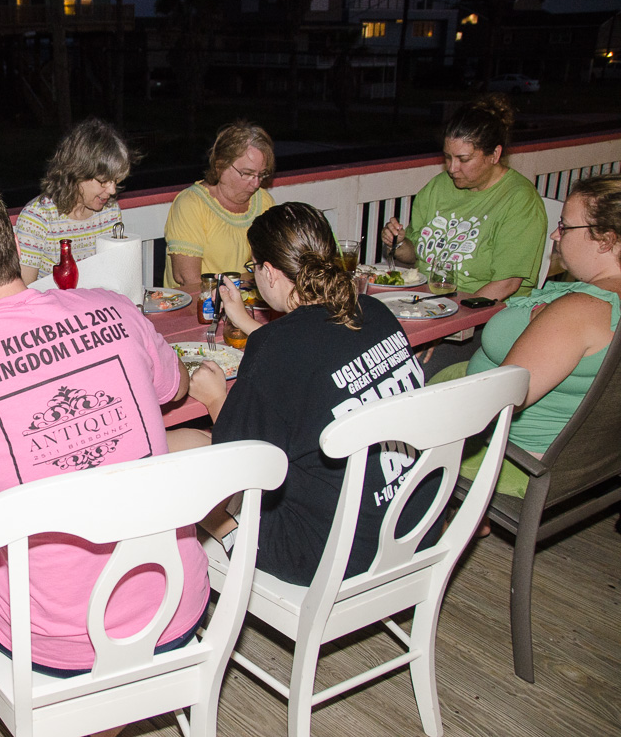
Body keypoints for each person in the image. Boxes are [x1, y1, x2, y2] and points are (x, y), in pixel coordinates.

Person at [0, 177, 203, 690]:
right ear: (16, 246)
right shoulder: (114, 306)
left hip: (53, 646)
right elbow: (175, 388)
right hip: (177, 606)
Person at [182, 202, 437, 586]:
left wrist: (216, 398)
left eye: (254, 269)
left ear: (268, 271)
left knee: (179, 454)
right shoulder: (373, 311)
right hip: (414, 524)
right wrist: (249, 326)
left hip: (333, 553)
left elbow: (239, 464)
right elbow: (319, 355)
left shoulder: (277, 347)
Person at [435, 174, 621, 499]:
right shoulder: (597, 302)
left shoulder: (578, 311)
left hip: (511, 456)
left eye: (565, 226)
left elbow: (495, 403)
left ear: (605, 240)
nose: (555, 234)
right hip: (591, 456)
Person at [382, 94, 548, 300]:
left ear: (495, 155)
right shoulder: (438, 187)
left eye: (464, 159)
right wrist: (398, 243)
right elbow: (414, 255)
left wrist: (458, 316)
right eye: (447, 157)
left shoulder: (520, 200)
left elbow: (507, 284)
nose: (452, 168)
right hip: (428, 299)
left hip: (485, 311)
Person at [15, 117, 136, 284]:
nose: (112, 190)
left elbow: (115, 278)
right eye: (104, 181)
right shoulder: (38, 218)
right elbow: (24, 291)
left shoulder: (110, 211)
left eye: (116, 181)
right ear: (77, 172)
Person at [163, 121, 276, 288]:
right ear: (220, 165)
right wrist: (247, 282)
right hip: (203, 308)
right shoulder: (191, 204)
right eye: (247, 174)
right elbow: (187, 279)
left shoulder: (264, 201)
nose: (256, 183)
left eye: (262, 174)